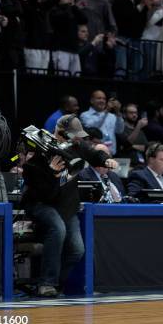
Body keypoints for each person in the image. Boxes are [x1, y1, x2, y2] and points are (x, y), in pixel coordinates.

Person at [22, 114, 117, 296]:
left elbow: (94, 153)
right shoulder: (38, 154)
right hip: (41, 203)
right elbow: (44, 194)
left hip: (66, 204)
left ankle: (57, 285)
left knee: (77, 249)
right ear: (61, 132)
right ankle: (46, 283)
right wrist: (52, 174)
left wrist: (105, 160)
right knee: (58, 229)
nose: (77, 139)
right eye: (73, 134)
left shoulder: (77, 146)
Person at [79, 90, 124, 155]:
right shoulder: (85, 115)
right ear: (92, 100)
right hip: (94, 153)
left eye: (104, 99)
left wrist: (118, 112)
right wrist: (106, 110)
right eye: (99, 98)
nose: (102, 101)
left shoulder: (112, 116)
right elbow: (91, 127)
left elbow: (119, 131)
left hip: (111, 154)